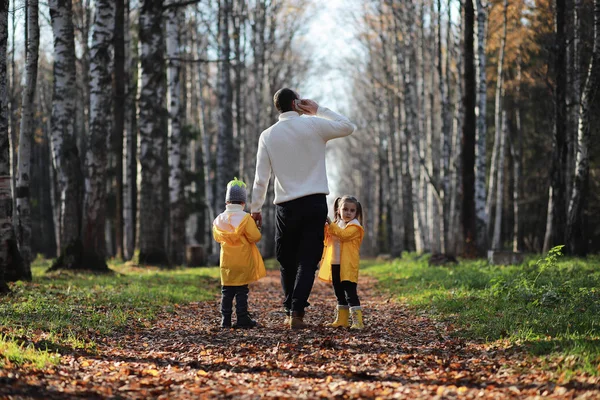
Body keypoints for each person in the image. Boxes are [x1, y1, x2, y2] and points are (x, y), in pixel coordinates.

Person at [250, 88, 356, 329]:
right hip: (315, 203)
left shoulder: (267, 135)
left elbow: (261, 178)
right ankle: (297, 310)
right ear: (296, 102)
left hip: (286, 206)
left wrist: (255, 208)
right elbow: (347, 126)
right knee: (308, 261)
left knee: (287, 261)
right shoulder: (314, 125)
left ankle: (289, 310)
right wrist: (318, 109)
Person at [213, 178, 266, 329]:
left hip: (226, 263)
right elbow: (255, 237)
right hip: (243, 262)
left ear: (227, 202)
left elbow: (217, 237)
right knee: (242, 291)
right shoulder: (245, 218)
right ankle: (242, 318)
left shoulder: (219, 219)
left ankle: (225, 320)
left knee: (226, 291)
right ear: (243, 202)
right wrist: (257, 228)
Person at [318, 195, 365, 330]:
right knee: (339, 292)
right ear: (338, 210)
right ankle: (342, 319)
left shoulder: (355, 227)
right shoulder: (337, 225)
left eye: (352, 210)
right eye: (345, 209)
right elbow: (328, 237)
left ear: (356, 213)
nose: (348, 213)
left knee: (350, 292)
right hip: (335, 264)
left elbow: (343, 235)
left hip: (348, 265)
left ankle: (358, 321)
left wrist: (330, 224)